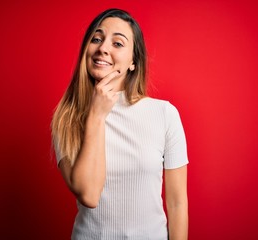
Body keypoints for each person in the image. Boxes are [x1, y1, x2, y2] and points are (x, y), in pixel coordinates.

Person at [51, 8, 189, 240]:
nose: (103, 47)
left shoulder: (164, 114)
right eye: (97, 39)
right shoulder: (66, 118)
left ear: (133, 61)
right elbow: (89, 194)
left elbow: (176, 203)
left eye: (117, 43)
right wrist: (96, 115)